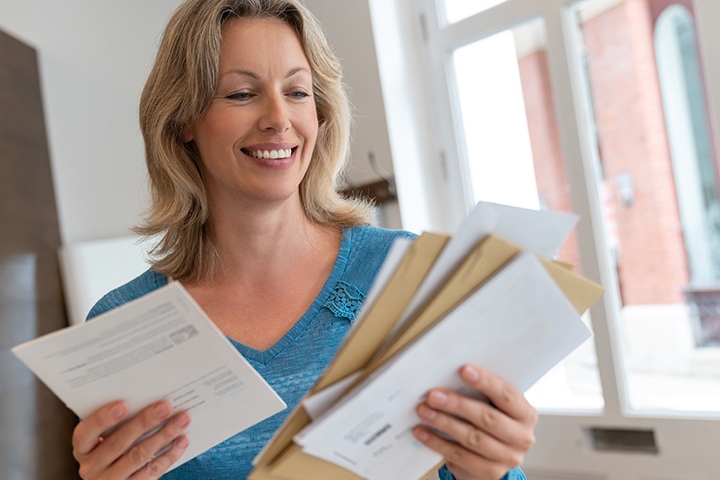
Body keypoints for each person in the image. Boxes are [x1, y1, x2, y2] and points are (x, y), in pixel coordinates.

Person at [71, 0, 538, 479]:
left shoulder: (405, 274)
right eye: (240, 94)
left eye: (297, 91)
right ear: (183, 120)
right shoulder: (122, 324)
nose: (279, 118)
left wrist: (492, 467)